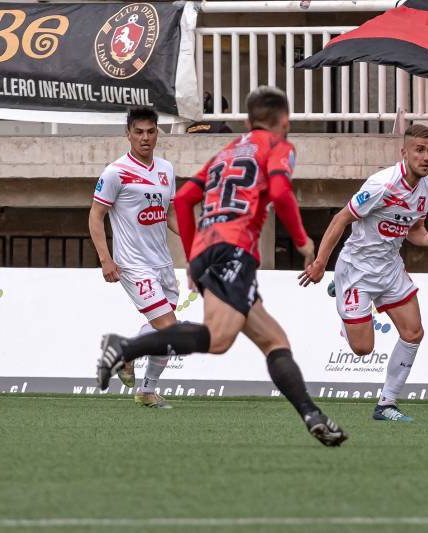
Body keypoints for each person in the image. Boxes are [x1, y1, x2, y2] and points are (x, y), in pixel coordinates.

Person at [96, 86, 347, 446]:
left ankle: (312, 415)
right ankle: (125, 347)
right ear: (285, 121)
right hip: (234, 251)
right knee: (217, 339)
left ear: (247, 121)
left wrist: (194, 259)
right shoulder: (279, 147)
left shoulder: (226, 152)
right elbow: (279, 192)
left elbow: (183, 201)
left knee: (274, 340)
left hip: (207, 250)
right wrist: (302, 240)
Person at [298, 123, 428, 423]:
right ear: (404, 152)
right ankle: (339, 288)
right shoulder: (382, 185)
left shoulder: (427, 188)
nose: (426, 157)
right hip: (356, 269)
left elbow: (413, 229)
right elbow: (340, 219)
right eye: (419, 150)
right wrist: (319, 264)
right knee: (363, 349)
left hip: (390, 268)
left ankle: (386, 404)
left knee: (414, 332)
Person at [88, 106, 179, 409]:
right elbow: (96, 216)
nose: (145, 138)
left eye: (150, 132)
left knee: (162, 331)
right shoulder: (115, 172)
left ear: (157, 134)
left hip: (162, 262)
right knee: (168, 326)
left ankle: (147, 390)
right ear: (127, 133)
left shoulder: (166, 169)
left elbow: (170, 214)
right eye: (138, 132)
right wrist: (105, 259)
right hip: (133, 264)